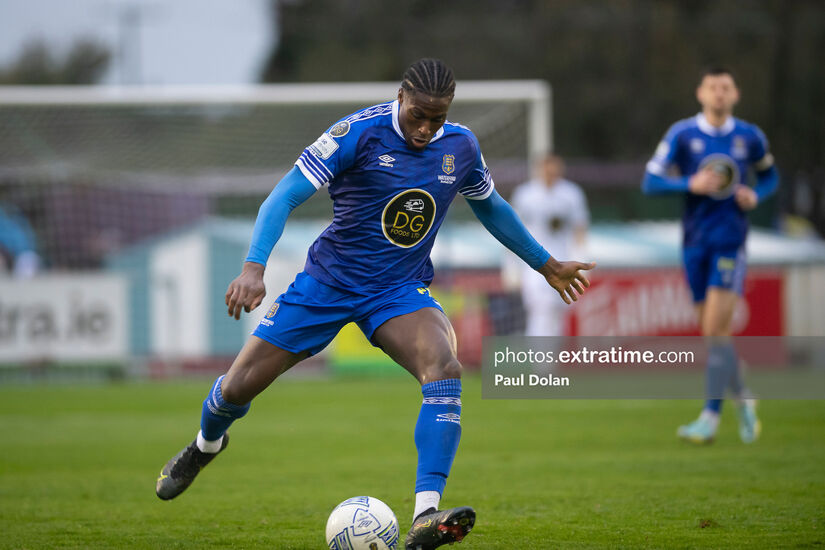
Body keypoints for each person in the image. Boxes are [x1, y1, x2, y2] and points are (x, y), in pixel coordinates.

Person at [155, 58, 594, 550]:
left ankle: (425, 516)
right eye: (418, 116)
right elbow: (281, 198)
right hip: (326, 285)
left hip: (398, 290)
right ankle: (204, 446)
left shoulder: (461, 145)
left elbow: (491, 205)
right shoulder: (355, 134)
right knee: (236, 389)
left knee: (444, 367)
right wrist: (255, 267)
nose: (427, 128)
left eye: (438, 117)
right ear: (400, 97)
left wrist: (545, 263)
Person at [642, 66, 779, 445]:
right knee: (712, 333)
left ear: (735, 94)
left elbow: (770, 177)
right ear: (700, 93)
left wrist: (757, 195)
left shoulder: (748, 137)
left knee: (717, 329)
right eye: (713, 87)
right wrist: (691, 182)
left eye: (726, 88)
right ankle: (745, 398)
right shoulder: (683, 134)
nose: (719, 93)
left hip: (729, 242)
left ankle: (710, 417)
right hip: (694, 242)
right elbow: (650, 181)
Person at [509, 154, 589, 337]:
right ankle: (539, 364)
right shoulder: (525, 195)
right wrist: (511, 266)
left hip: (563, 260)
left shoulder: (571, 194)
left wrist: (582, 258)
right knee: (540, 311)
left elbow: (579, 229)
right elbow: (512, 231)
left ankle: (549, 363)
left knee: (558, 314)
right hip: (533, 264)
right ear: (539, 169)